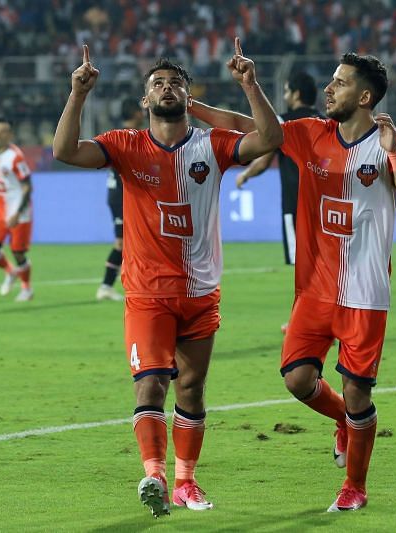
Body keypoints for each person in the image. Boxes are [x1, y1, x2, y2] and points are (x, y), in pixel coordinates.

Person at [52, 40, 282, 518]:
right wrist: (78, 94)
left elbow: (270, 138)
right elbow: (64, 151)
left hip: (201, 293)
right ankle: (153, 474)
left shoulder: (211, 146)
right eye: (157, 83)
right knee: (150, 385)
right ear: (145, 100)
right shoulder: (125, 145)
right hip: (147, 294)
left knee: (192, 390)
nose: (167, 88)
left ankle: (185, 482)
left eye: (176, 82)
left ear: (188, 95)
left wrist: (249, 85)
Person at [191, 52, 396, 512]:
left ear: (364, 96)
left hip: (365, 293)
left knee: (359, 391)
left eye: (339, 83)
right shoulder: (308, 133)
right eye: (331, 81)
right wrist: (195, 106)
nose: (328, 89)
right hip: (314, 291)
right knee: (298, 380)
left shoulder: (390, 143)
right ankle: (343, 421)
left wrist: (395, 150)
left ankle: (355, 485)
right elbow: (244, 125)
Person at [235, 71, 324, 266]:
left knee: (300, 263)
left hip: (295, 203)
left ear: (296, 94)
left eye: (286, 92)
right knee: (325, 262)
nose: (285, 96)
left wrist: (245, 175)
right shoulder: (328, 123)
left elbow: (264, 161)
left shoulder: (282, 123)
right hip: (326, 204)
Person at [96, 98, 146, 301]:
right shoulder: (131, 138)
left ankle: (111, 286)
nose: (144, 115)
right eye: (141, 112)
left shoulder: (118, 135)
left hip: (120, 195)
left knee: (130, 242)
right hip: (123, 196)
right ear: (135, 114)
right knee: (122, 242)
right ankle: (106, 286)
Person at [0, 117, 34, 302]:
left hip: (18, 211)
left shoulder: (15, 157)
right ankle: (10, 272)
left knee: (18, 252)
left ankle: (26, 288)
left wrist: (18, 213)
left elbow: (28, 186)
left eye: (3, 131)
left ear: (10, 135)